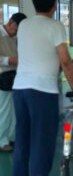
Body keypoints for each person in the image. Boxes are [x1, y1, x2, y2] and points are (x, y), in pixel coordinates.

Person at [12, 0, 73, 176]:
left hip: (19, 89)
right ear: (54, 5)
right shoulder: (55, 26)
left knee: (22, 141)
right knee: (41, 144)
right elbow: (65, 60)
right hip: (43, 92)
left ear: (34, 2)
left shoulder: (24, 25)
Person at [0, 13, 26, 152]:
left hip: (13, 75)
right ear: (10, 22)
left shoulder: (14, 37)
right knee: (3, 109)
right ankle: (1, 140)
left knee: (13, 109)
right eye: (15, 30)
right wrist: (10, 60)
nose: (15, 33)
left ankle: (11, 137)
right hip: (2, 76)